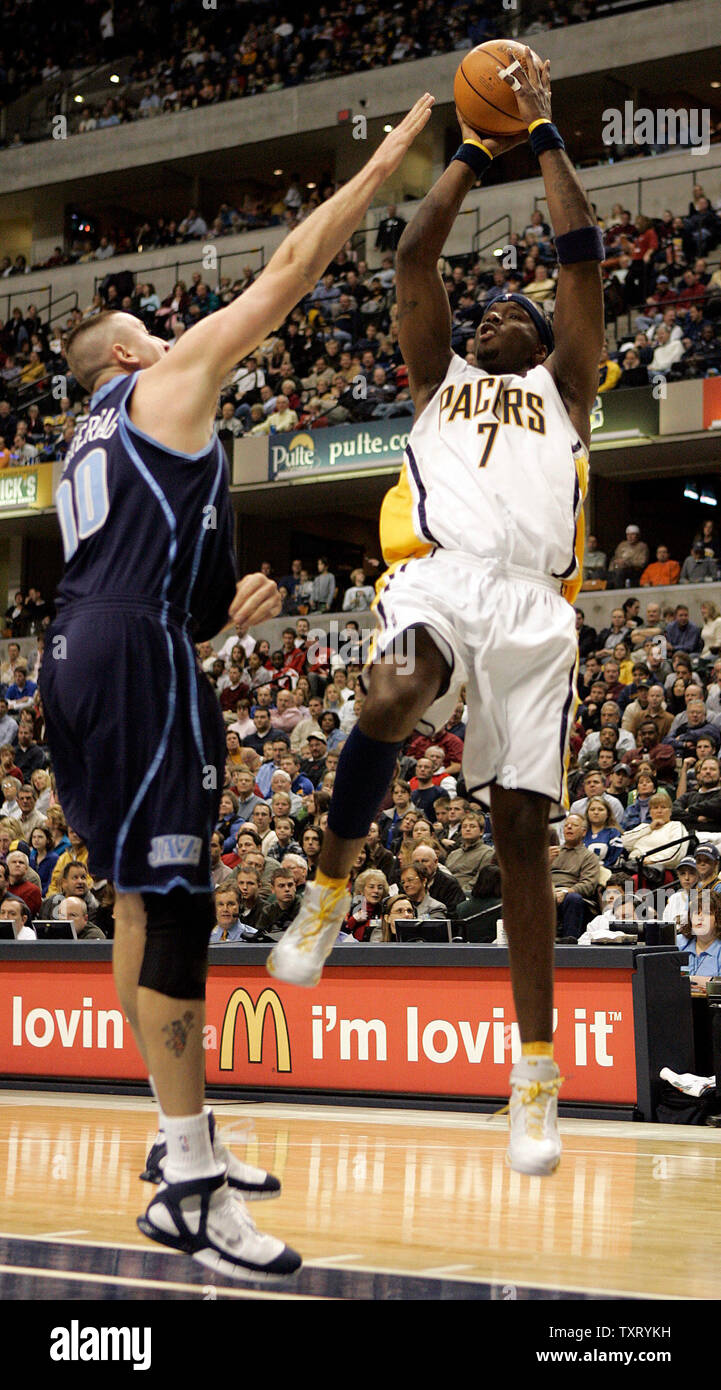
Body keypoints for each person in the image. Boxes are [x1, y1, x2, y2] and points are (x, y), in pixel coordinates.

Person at [38, 95, 435, 1281]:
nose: (171, 334)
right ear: (124, 354)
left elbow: (123, 585)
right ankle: (193, 1185)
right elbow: (288, 270)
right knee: (179, 906)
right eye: (150, 328)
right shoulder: (158, 388)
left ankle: (177, 1145)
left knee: (130, 897)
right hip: (128, 648)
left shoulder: (87, 441)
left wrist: (205, 637)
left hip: (86, 653)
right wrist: (376, 170)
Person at [267, 52, 606, 1177]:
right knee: (395, 688)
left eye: (522, 309)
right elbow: (414, 253)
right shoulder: (436, 378)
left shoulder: (567, 388)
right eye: (492, 308)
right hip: (442, 580)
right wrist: (472, 145)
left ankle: (533, 1070)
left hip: (534, 614)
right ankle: (327, 887)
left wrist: (543, 130)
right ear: (469, 335)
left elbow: (579, 255)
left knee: (520, 832)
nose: (508, 312)